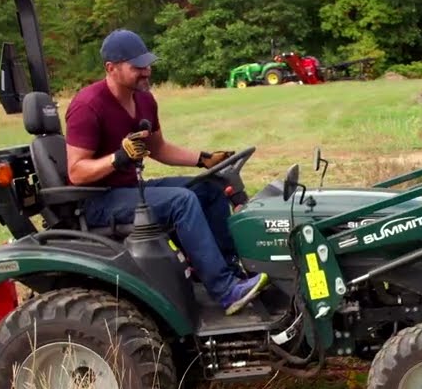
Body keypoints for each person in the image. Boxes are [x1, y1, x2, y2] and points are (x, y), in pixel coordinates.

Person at [64, 28, 269, 315]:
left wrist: (204, 160)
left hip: (132, 190)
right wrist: (118, 158)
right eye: (138, 66)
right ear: (111, 68)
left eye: (147, 63)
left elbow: (159, 149)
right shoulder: (87, 105)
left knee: (209, 189)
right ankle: (224, 291)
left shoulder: (145, 99)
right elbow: (76, 172)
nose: (146, 71)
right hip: (100, 201)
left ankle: (229, 271)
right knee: (180, 201)